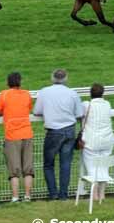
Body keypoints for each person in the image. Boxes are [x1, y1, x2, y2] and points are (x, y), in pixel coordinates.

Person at [33, 69, 84, 200]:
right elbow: (79, 114)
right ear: (65, 78)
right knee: (65, 164)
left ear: (52, 78)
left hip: (53, 132)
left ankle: (53, 193)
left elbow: (36, 111)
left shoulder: (44, 92)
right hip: (69, 130)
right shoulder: (72, 93)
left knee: (48, 164)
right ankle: (63, 195)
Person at [0, 72, 34, 202]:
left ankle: (15, 197)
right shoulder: (27, 94)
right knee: (28, 169)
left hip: (12, 136)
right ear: (20, 82)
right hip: (27, 134)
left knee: (14, 169)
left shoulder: (4, 94)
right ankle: (27, 196)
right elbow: (28, 109)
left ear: (8, 83)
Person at [80, 83, 114, 201]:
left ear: (90, 93)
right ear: (102, 93)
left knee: (91, 168)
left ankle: (94, 194)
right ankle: (102, 194)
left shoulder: (86, 105)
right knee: (103, 167)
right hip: (107, 140)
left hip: (91, 141)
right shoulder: (107, 104)